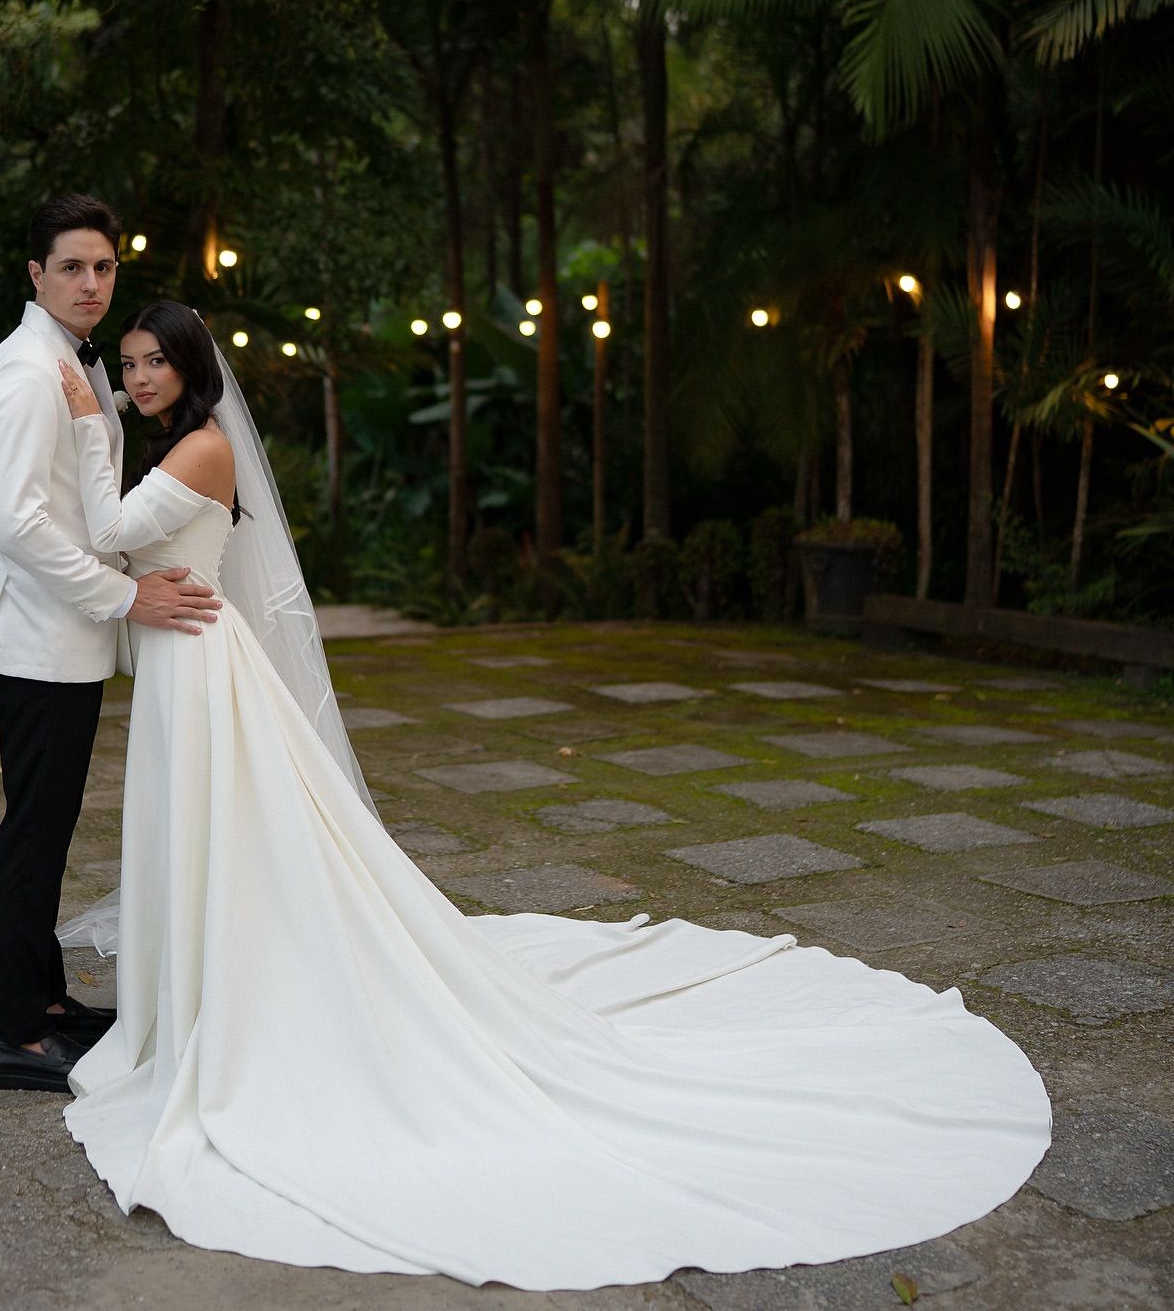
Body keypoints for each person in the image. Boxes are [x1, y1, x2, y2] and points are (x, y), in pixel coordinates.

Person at [52, 300, 1051, 1289]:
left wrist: (89, 422)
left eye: (152, 364)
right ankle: (199, 985)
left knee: (232, 828)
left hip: (203, 665)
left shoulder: (204, 449)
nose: (137, 379)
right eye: (127, 365)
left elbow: (107, 530)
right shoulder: (175, 446)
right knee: (209, 833)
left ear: (190, 368)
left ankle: (235, 997)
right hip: (181, 659)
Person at [0, 196, 221, 1094]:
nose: (90, 284)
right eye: (71, 267)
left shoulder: (70, 362)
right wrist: (124, 596)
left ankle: (46, 1003)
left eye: (103, 267)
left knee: (49, 826)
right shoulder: (24, 373)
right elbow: (21, 524)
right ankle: (15, 1038)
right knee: (34, 836)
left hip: (63, 636)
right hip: (39, 639)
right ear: (36, 274)